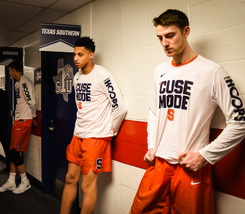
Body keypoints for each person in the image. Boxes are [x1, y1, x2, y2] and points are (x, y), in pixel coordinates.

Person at [130, 9, 245, 214]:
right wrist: (151, 145)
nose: (164, 43)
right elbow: (155, 112)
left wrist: (205, 156)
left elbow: (239, 122)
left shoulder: (212, 72)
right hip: (159, 163)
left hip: (190, 167)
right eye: (160, 38)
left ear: (186, 31)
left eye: (170, 36)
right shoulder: (160, 71)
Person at [60, 37, 127, 214]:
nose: (76, 58)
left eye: (80, 54)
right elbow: (80, 106)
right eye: (74, 54)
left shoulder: (102, 75)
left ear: (91, 55)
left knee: (87, 186)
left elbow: (120, 108)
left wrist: (108, 132)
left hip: (96, 137)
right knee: (69, 179)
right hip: (78, 134)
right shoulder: (77, 77)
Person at [0, 60, 37, 194]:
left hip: (24, 121)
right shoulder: (17, 83)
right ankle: (11, 181)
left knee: (13, 153)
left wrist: (34, 116)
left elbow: (31, 101)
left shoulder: (25, 81)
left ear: (13, 69)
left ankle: (25, 181)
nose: (9, 73)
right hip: (18, 120)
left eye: (9, 70)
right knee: (12, 150)